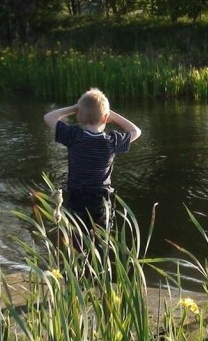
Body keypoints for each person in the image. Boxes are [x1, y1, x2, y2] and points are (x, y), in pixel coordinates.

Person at [44, 88, 142, 260]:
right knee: (100, 247)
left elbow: (49, 117)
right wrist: (112, 114)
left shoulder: (73, 136)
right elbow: (136, 131)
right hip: (101, 201)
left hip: (76, 200)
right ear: (105, 118)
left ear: (79, 117)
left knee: (75, 246)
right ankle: (98, 279)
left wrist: (74, 108)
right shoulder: (111, 142)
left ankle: (74, 278)